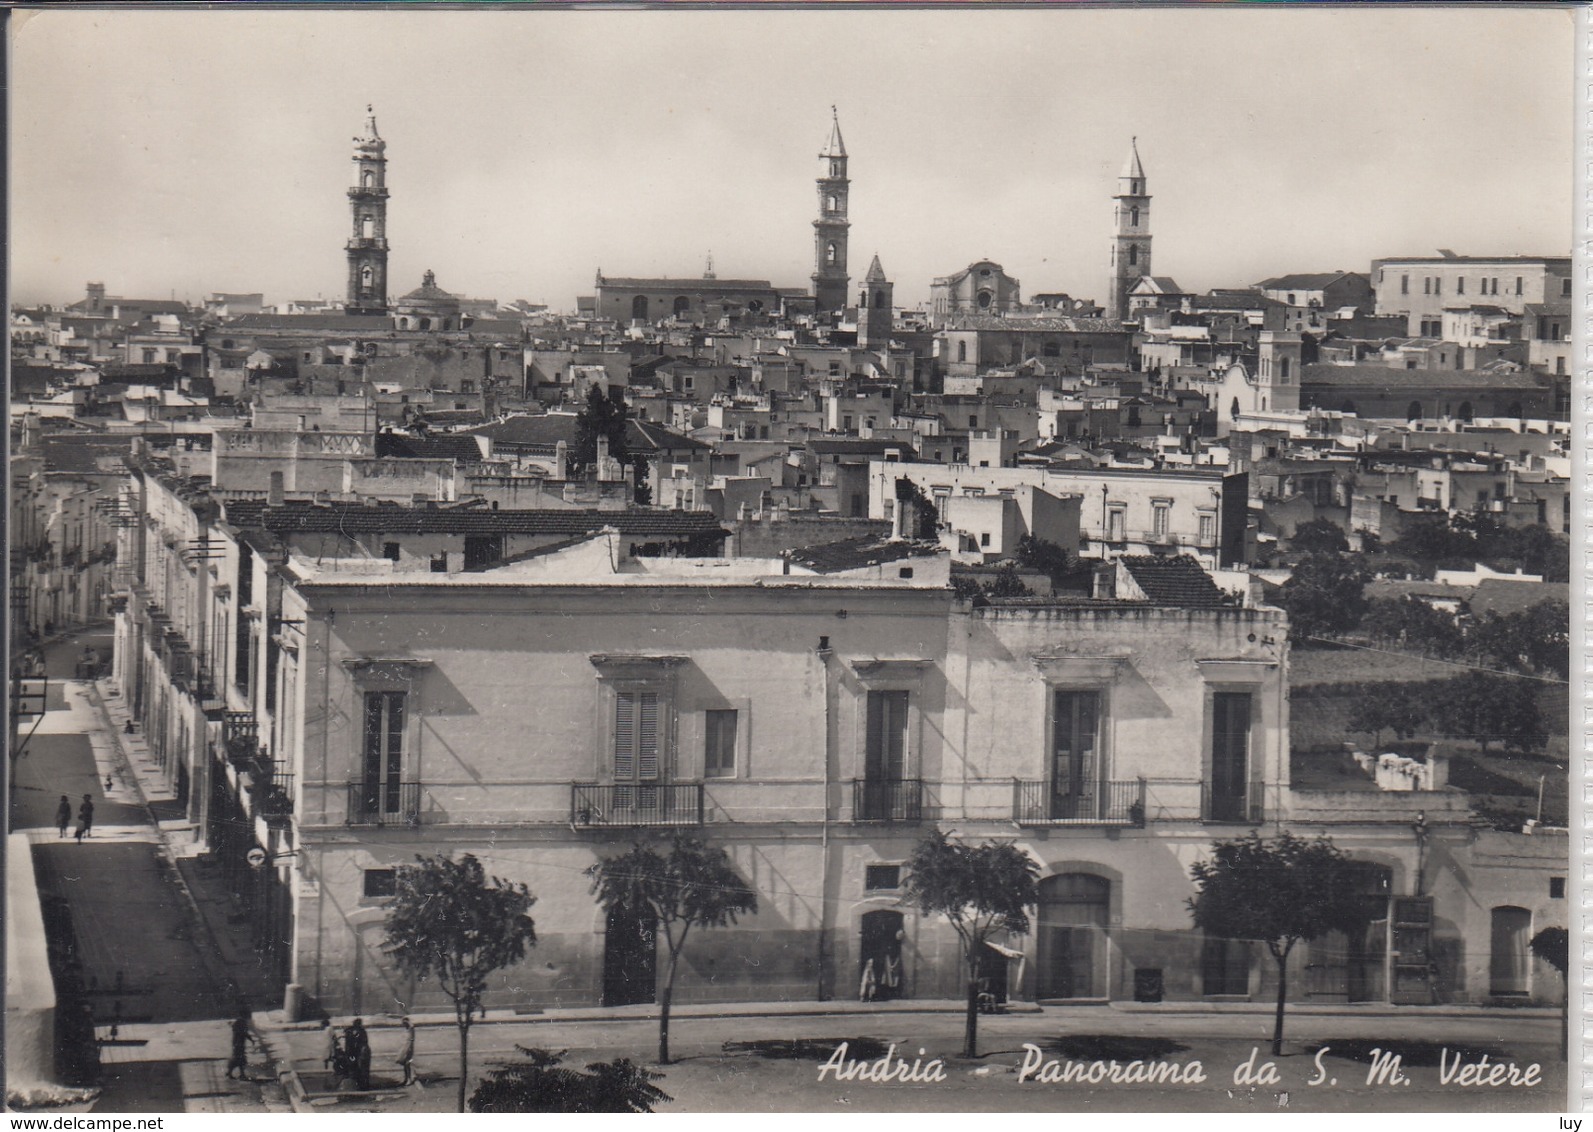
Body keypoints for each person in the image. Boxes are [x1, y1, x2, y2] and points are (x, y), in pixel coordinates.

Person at [226, 1009, 254, 1081]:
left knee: (238, 1059)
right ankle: (240, 1074)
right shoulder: (241, 1022)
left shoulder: (240, 1022)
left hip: (238, 1043)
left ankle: (233, 1073)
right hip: (238, 1044)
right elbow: (244, 1033)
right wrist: (251, 1039)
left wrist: (250, 1039)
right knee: (239, 1059)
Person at [345, 1018, 371, 1090]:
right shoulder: (362, 1031)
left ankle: (356, 1086)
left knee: (354, 1070)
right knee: (362, 1070)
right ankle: (362, 1086)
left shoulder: (349, 1031)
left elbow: (348, 1044)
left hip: (353, 1053)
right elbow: (364, 1042)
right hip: (359, 1053)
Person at [396, 1017, 416, 1086]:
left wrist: (407, 1021)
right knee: (405, 1064)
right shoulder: (406, 1030)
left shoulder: (411, 1029)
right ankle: (406, 1078)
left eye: (404, 1023)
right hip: (404, 1047)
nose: (403, 1025)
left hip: (409, 1047)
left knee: (407, 1064)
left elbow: (412, 1026)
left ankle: (409, 1079)